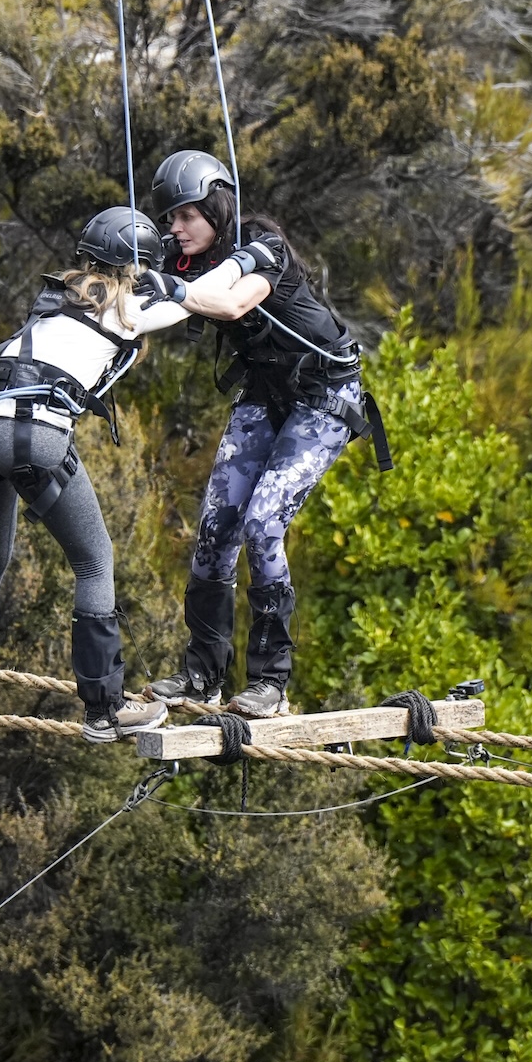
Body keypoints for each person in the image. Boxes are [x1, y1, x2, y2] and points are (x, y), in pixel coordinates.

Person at [138, 151, 390, 719]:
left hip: (323, 397)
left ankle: (270, 684)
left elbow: (228, 299)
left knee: (262, 521)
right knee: (215, 527)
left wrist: (169, 289)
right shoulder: (183, 263)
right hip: (265, 394)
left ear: (216, 209)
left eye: (185, 216)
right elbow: (149, 308)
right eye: (169, 219)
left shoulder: (262, 246)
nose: (174, 228)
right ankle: (202, 676)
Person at [0, 206, 188, 744]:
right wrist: (243, 261)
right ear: (136, 268)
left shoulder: (56, 299)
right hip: (29, 431)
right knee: (95, 561)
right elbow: (203, 301)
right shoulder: (130, 307)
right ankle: (104, 712)